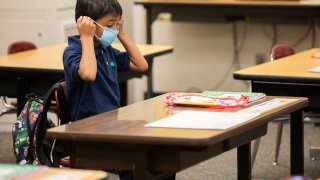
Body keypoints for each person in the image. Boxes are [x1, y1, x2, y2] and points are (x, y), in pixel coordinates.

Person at [63, 0, 148, 121]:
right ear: (89, 24)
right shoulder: (72, 51)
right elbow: (88, 74)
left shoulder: (106, 50)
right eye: (109, 26)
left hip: (111, 121)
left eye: (116, 24)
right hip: (86, 126)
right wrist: (86, 37)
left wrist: (122, 33)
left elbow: (141, 65)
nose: (114, 29)